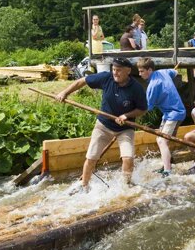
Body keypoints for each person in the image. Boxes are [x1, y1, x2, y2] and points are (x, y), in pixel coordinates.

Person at [55, 57, 147, 191]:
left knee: (128, 158)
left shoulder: (136, 88)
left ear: (128, 71)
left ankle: (125, 187)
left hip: (125, 128)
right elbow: (83, 81)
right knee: (91, 157)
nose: (115, 73)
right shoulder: (106, 78)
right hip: (103, 126)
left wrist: (127, 115)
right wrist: (65, 93)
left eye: (119, 70)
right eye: (114, 70)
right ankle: (84, 186)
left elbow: (142, 109)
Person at [137, 57, 186, 177]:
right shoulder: (164, 72)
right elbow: (175, 72)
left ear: (149, 70)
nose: (139, 74)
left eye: (141, 71)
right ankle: (165, 165)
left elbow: (146, 108)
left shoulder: (153, 86)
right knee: (161, 139)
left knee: (162, 140)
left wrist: (133, 116)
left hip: (175, 113)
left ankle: (167, 171)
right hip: (168, 114)